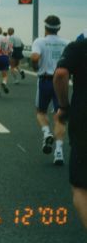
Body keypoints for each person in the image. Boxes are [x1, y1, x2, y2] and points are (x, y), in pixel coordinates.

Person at [54, 32, 87, 228]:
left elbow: (60, 74)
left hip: (84, 118)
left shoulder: (80, 47)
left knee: (82, 187)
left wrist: (64, 106)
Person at [31, 15, 69, 165]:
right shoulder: (66, 43)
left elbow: (34, 57)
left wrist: (36, 67)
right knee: (60, 116)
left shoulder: (40, 41)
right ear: (59, 28)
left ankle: (47, 133)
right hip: (62, 82)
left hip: (46, 80)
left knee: (41, 111)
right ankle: (59, 152)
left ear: (45, 27)